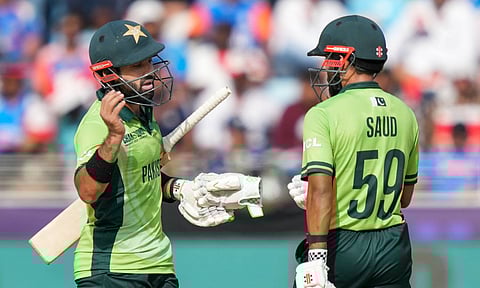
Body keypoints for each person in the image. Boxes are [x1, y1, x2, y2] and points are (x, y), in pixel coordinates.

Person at [73, 19, 262, 288]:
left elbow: (139, 177)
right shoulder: (96, 125)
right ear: (108, 74)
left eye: (149, 62)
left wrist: (178, 188)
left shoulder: (144, 114)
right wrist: (113, 137)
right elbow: (88, 191)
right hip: (112, 270)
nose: (149, 72)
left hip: (159, 264)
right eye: (137, 66)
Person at [290, 15, 419, 288]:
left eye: (329, 58)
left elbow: (321, 190)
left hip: (343, 244)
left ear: (346, 59)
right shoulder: (406, 113)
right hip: (393, 245)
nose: (325, 67)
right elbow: (404, 197)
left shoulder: (323, 114)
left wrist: (316, 253)